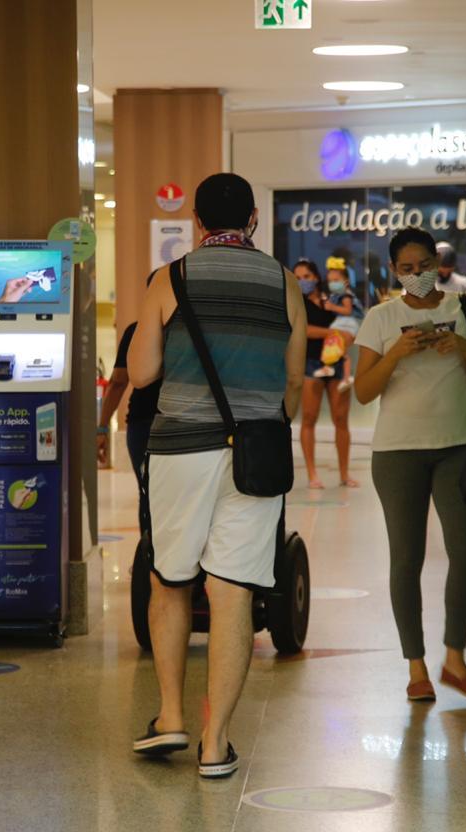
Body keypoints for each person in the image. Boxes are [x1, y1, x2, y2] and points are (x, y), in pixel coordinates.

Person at [128, 172, 306, 778]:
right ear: (253, 218)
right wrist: (264, 413)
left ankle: (171, 716)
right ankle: (215, 742)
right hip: (256, 454)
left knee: (171, 580)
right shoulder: (284, 282)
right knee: (233, 591)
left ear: (198, 223)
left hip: (181, 450)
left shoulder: (168, 279)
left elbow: (143, 372)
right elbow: (294, 383)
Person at [353, 226, 466, 702]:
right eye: (407, 269)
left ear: (438, 265)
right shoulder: (380, 317)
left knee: (465, 553)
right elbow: (364, 390)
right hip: (397, 452)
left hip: (458, 446)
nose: (417, 276)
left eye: (425, 267)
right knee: (406, 558)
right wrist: (398, 350)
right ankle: (416, 667)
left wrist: (463, 348)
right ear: (395, 271)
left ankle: (454, 658)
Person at [297, 258, 357, 490]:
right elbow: (304, 330)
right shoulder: (298, 303)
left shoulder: (333, 301)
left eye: (306, 276)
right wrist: (333, 332)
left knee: (341, 419)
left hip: (337, 362)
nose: (302, 281)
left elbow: (350, 327)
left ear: (317, 277)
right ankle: (312, 474)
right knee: (309, 418)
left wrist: (344, 336)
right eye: (298, 278)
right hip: (311, 363)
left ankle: (344, 473)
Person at [98, 319, 162, 530]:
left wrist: (102, 428)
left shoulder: (137, 329)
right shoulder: (187, 326)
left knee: (147, 492)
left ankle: (149, 555)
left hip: (142, 422)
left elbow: (118, 381)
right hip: (181, 421)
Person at [320, 256, 362, 392]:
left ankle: (343, 375)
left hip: (347, 324)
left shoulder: (346, 296)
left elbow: (347, 310)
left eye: (336, 280)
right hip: (340, 324)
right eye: (330, 281)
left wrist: (332, 307)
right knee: (335, 348)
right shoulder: (336, 295)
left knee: (338, 348)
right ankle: (335, 371)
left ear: (346, 282)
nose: (332, 283)